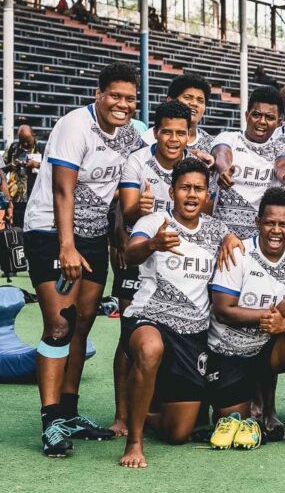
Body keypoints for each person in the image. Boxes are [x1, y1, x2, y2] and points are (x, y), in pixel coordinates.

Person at [24, 61, 144, 456]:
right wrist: (66, 245)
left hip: (93, 237)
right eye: (115, 96)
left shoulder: (129, 133)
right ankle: (51, 421)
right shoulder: (75, 125)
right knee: (59, 325)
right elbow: (63, 191)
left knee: (81, 325)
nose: (122, 104)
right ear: (99, 94)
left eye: (130, 98)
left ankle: (70, 412)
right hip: (51, 232)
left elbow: (158, 151)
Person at [117, 157, 230, 468]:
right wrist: (153, 244)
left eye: (198, 189)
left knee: (178, 432)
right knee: (150, 348)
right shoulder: (153, 222)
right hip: (149, 319)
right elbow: (130, 253)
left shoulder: (217, 229)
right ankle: (134, 441)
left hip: (192, 334)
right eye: (185, 188)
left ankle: (150, 413)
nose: (192, 195)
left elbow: (233, 242)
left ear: (208, 195)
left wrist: (232, 239)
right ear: (172, 191)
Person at [111, 100, 207, 436]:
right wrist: (140, 208)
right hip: (140, 251)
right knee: (132, 340)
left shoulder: (194, 166)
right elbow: (127, 213)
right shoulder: (137, 161)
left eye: (181, 133)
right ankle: (123, 415)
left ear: (189, 135)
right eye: (167, 131)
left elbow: (205, 214)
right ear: (156, 131)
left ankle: (160, 406)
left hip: (181, 261)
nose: (173, 138)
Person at [206, 187, 285, 451]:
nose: (276, 231)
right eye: (269, 223)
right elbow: (223, 309)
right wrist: (275, 314)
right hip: (229, 351)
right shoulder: (238, 253)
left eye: (283, 224)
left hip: (268, 351)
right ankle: (246, 404)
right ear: (258, 222)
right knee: (234, 424)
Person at [211, 86, 285, 238]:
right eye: (256, 115)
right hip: (223, 239)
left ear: (278, 122)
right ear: (246, 116)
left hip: (260, 243)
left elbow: (283, 164)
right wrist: (224, 169)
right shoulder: (229, 138)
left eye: (269, 117)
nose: (262, 121)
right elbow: (221, 153)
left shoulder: (281, 148)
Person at [142, 73, 216, 152]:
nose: (194, 103)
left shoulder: (211, 145)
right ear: (170, 101)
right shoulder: (151, 138)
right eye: (188, 98)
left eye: (200, 100)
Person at [4, 123, 41, 226]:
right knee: (17, 229)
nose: (25, 144)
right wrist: (11, 165)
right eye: (22, 140)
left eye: (27, 140)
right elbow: (2, 169)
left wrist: (37, 165)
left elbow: (51, 169)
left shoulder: (41, 149)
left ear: (33, 135)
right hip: (16, 199)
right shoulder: (14, 147)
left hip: (35, 197)